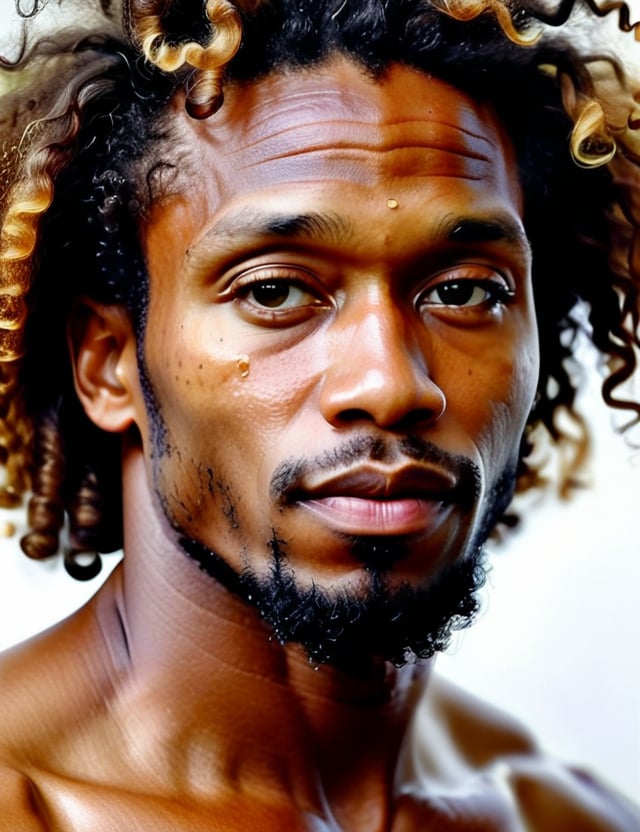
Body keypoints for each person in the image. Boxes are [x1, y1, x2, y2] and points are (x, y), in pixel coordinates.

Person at [0, 0, 638, 827]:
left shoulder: (562, 814)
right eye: (274, 292)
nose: (390, 384)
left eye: (464, 291)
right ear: (108, 362)